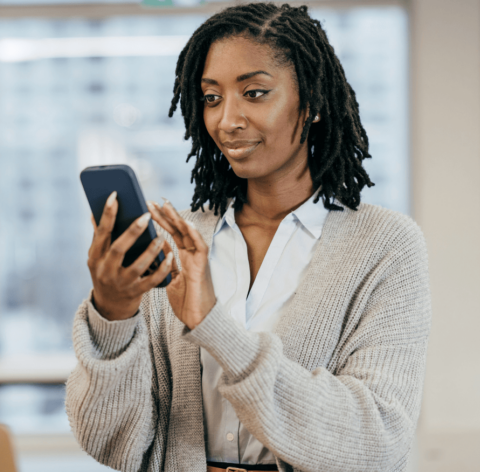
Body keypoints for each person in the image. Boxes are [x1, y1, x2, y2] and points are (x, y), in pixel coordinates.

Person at [65, 3, 431, 472]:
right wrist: (112, 313)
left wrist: (213, 325)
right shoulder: (177, 242)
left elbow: (374, 442)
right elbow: (112, 443)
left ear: (313, 103)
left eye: (255, 93)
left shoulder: (385, 246)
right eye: (212, 98)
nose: (226, 121)